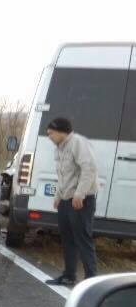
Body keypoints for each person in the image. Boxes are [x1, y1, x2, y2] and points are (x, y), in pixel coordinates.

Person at [43, 117, 99, 286]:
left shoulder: (77, 143)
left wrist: (79, 194)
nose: (49, 137)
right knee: (67, 239)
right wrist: (58, 196)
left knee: (83, 239)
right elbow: (63, 175)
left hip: (80, 200)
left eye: (51, 133)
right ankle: (69, 275)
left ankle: (91, 281)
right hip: (66, 200)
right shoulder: (60, 148)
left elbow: (89, 168)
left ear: (61, 131)